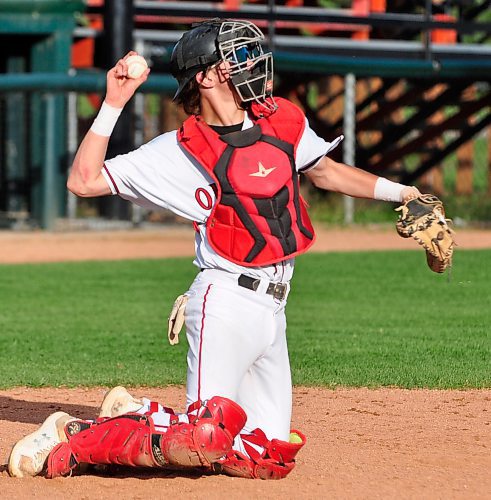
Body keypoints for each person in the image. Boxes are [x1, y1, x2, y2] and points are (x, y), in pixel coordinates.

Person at [8, 19, 421, 480]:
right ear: (205, 76)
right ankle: (72, 437)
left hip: (274, 310)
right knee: (203, 439)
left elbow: (326, 172)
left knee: (267, 458)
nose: (250, 63)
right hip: (224, 303)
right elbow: (82, 181)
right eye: (236, 56)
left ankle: (135, 413)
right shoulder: (178, 150)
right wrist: (114, 102)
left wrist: (404, 194)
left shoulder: (279, 120)